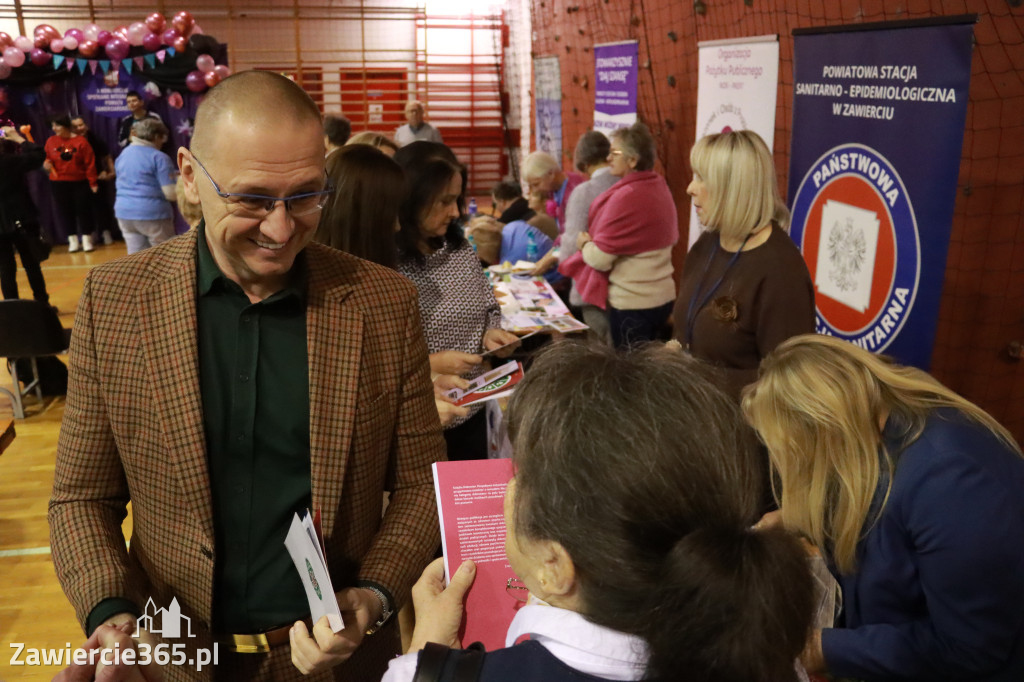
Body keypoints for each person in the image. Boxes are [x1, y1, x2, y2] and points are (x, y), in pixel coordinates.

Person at [49, 70, 446, 682]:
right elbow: (83, 495)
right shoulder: (117, 299)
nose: (281, 229)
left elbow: (421, 487)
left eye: (307, 196)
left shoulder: (382, 304)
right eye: (252, 199)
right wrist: (111, 615)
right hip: (170, 658)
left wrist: (372, 595)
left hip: (333, 662)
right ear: (188, 174)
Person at [384, 342, 815, 682]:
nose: (510, 485)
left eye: (524, 475)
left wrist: (424, 660)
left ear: (554, 566)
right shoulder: (774, 661)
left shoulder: (426, 674)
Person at [742, 334, 1024, 682]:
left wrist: (821, 649)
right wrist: (795, 516)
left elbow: (970, 646)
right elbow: (863, 487)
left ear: (827, 427)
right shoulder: (874, 430)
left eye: (793, 451)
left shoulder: (951, 482)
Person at [314, 143, 470, 429]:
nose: (397, 226)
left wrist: (426, 382)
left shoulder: (374, 280)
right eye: (390, 214)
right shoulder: (323, 295)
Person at [395, 147, 520, 461]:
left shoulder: (459, 249)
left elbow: (488, 306)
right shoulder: (389, 265)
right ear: (411, 200)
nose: (454, 212)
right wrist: (434, 363)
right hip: (426, 415)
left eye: (457, 199)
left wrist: (491, 334)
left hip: (476, 406)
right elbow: (381, 357)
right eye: (444, 201)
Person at [671, 129, 814, 401]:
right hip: (692, 415)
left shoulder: (780, 272)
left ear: (733, 187)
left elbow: (789, 384)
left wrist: (698, 377)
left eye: (701, 178)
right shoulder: (707, 245)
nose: (690, 188)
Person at [559, 123, 677, 348]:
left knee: (629, 372)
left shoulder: (626, 196)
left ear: (632, 160)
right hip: (663, 298)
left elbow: (601, 259)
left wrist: (584, 244)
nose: (609, 157)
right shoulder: (659, 186)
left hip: (633, 304)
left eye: (615, 153)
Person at [558, 130, 619, 344]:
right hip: (628, 288)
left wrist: (559, 262)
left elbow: (571, 246)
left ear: (583, 165)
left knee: (601, 352)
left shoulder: (584, 192)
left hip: (594, 287)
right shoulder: (629, 184)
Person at [0, 125, 52, 306]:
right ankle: (42, 304)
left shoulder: (9, 161)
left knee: (5, 268)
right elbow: (39, 155)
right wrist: (18, 138)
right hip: (21, 218)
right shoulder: (9, 162)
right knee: (31, 264)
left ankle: (11, 309)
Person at [114, 118, 178, 254]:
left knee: (136, 259)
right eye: (162, 138)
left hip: (124, 212)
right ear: (156, 137)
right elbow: (170, 193)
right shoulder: (159, 157)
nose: (162, 143)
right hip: (153, 214)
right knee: (164, 256)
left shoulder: (123, 154)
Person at [521, 151, 585, 277]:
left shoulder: (575, 191)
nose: (535, 190)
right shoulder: (554, 190)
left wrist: (551, 257)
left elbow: (574, 235)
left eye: (536, 184)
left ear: (550, 174)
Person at [44, 114, 98, 253]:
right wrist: (46, 164)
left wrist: (93, 182)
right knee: (65, 212)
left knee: (83, 210)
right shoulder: (51, 141)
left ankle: (87, 239)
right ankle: (72, 240)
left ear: (66, 126)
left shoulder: (81, 141)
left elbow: (90, 163)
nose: (54, 128)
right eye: (53, 126)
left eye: (57, 125)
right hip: (58, 183)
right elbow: (47, 158)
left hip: (79, 182)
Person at [71, 115, 118, 246]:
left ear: (86, 125)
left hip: (97, 178)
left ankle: (105, 231)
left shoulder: (95, 140)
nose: (80, 128)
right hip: (79, 180)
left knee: (101, 205)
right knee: (83, 208)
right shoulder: (69, 143)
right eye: (76, 127)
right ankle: (89, 234)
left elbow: (107, 156)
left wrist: (110, 171)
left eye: (81, 125)